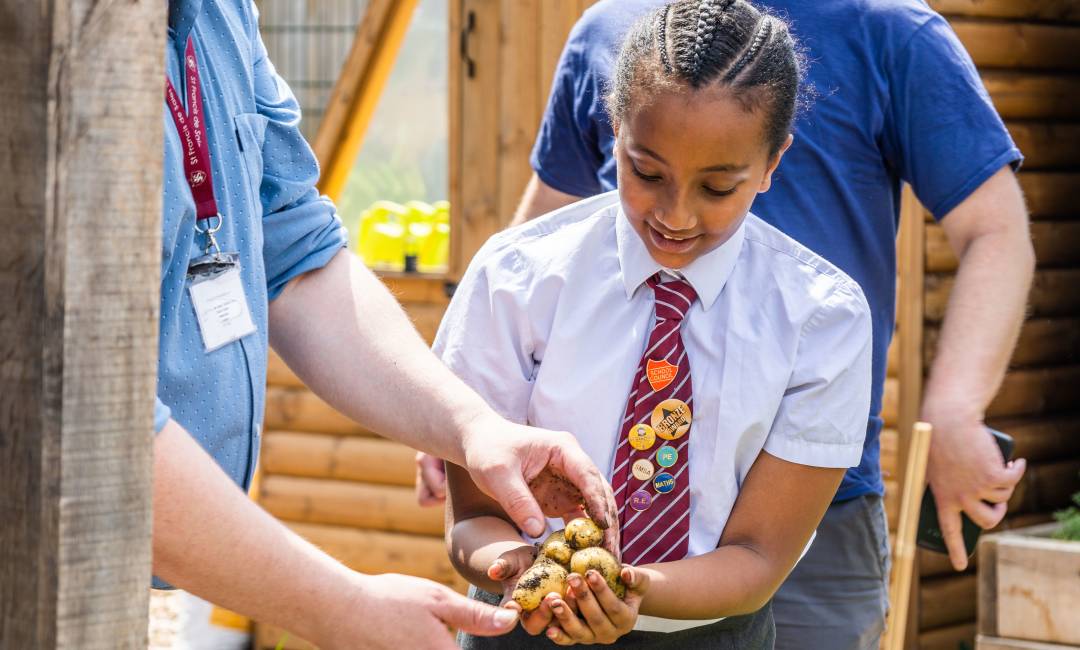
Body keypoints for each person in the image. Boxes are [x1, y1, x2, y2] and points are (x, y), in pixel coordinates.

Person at [418, 0, 1035, 646]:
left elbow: (995, 230)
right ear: (617, 132)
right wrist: (452, 402)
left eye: (717, 188)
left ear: (773, 163)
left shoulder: (891, 34)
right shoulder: (605, 33)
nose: (676, 215)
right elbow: (541, 233)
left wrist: (956, 409)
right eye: (645, 171)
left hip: (794, 507)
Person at [154, 2, 617, 649]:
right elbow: (85, 426)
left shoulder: (222, 16)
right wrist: (339, 605)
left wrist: (473, 426)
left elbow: (297, 250)